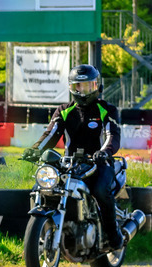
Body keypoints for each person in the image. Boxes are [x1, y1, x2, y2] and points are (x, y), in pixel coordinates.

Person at [21, 64, 125, 250]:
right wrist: (35, 149)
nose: (83, 91)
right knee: (42, 187)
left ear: (97, 86)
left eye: (88, 86)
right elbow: (51, 134)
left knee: (101, 190)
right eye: (78, 86)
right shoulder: (64, 110)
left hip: (99, 163)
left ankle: (114, 237)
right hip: (70, 163)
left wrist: (104, 152)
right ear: (71, 87)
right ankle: (46, 229)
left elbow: (112, 136)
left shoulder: (106, 109)